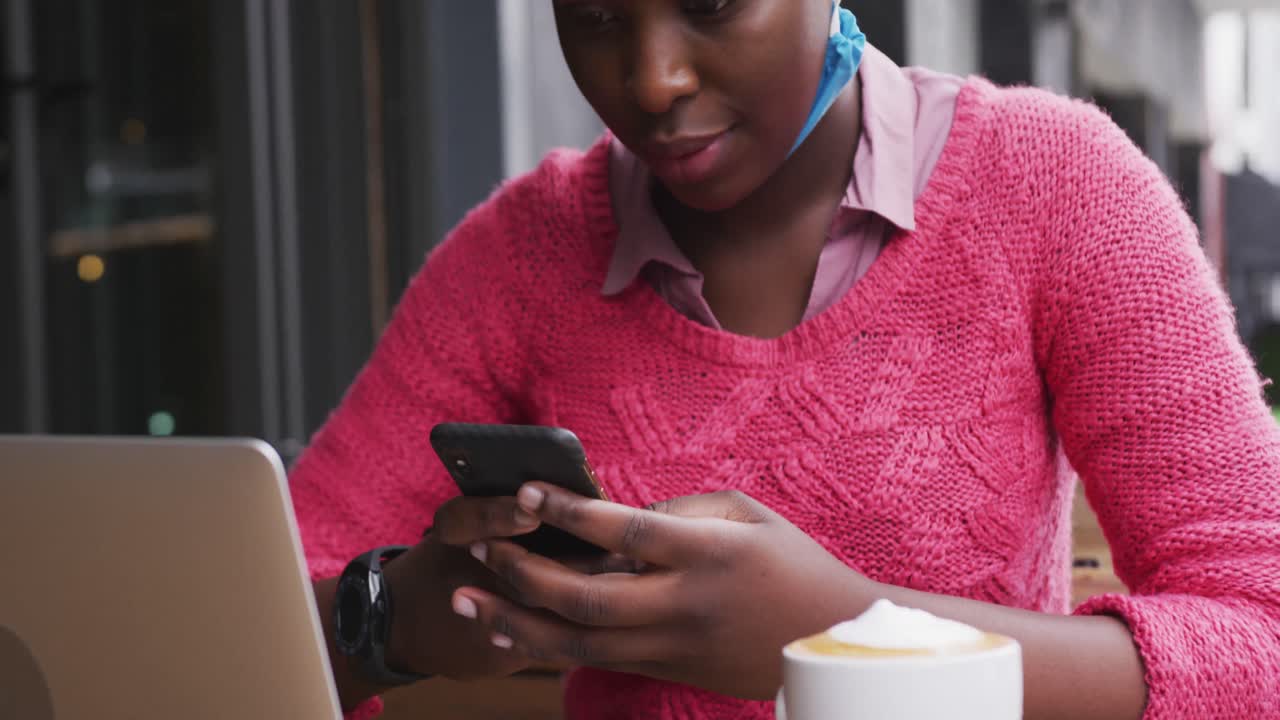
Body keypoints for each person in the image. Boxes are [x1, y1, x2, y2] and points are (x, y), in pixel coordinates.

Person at [290, 1, 1280, 718]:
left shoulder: (1057, 189)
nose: (650, 79)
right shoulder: (523, 257)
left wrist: (850, 632)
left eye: (711, 4)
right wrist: (396, 617)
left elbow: (1262, 639)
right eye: (593, 14)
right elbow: (249, 607)